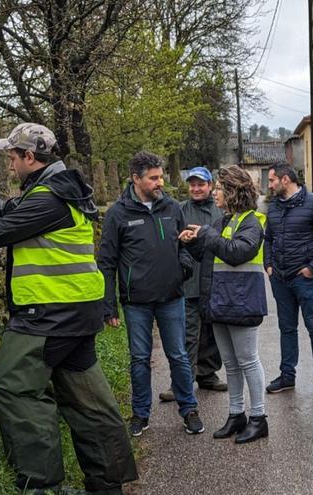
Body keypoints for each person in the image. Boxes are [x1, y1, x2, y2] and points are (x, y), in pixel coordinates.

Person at [0, 123, 137, 494]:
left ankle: (41, 484)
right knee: (87, 399)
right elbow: (8, 208)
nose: (9, 164)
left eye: (12, 156)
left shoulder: (48, 199)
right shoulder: (58, 190)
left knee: (14, 388)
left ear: (30, 157)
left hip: (47, 315)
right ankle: (107, 481)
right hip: (77, 312)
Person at [97, 151, 203, 437]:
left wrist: (183, 267)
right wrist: (109, 306)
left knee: (179, 355)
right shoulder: (118, 214)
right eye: (153, 178)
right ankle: (140, 414)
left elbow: (184, 245)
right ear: (136, 179)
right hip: (137, 302)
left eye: (161, 176)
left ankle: (189, 409)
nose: (160, 182)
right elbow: (106, 261)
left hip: (172, 296)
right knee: (139, 358)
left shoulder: (171, 207)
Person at [180, 166, 269, 444]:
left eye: (219, 188)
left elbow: (238, 252)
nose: (215, 193)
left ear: (232, 191)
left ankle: (258, 417)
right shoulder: (223, 221)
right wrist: (193, 243)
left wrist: (206, 235)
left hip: (242, 302)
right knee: (230, 364)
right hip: (220, 302)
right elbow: (209, 255)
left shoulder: (252, 221)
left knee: (248, 361)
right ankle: (235, 414)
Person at [263, 162, 313, 397]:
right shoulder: (274, 206)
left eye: (272, 180)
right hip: (281, 278)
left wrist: (312, 268)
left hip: (305, 279)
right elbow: (269, 238)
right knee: (286, 328)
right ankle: (287, 376)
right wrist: (268, 265)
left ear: (285, 179)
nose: (270, 185)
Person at [159, 167, 227, 402]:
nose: (196, 189)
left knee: (212, 334)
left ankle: (207, 374)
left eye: (201, 184)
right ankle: (181, 383)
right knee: (186, 336)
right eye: (193, 185)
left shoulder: (220, 210)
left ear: (210, 186)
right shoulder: (179, 210)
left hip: (215, 283)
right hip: (187, 284)